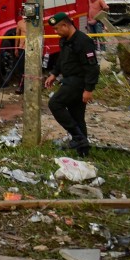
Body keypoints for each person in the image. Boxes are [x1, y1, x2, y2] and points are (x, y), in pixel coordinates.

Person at [43, 12, 99, 156]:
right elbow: (62, 59)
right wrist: (54, 74)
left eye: (57, 29)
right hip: (68, 79)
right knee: (77, 116)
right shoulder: (65, 40)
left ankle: (78, 137)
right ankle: (83, 151)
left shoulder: (83, 41)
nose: (56, 32)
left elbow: (92, 66)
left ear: (65, 25)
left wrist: (89, 89)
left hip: (78, 81)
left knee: (55, 104)